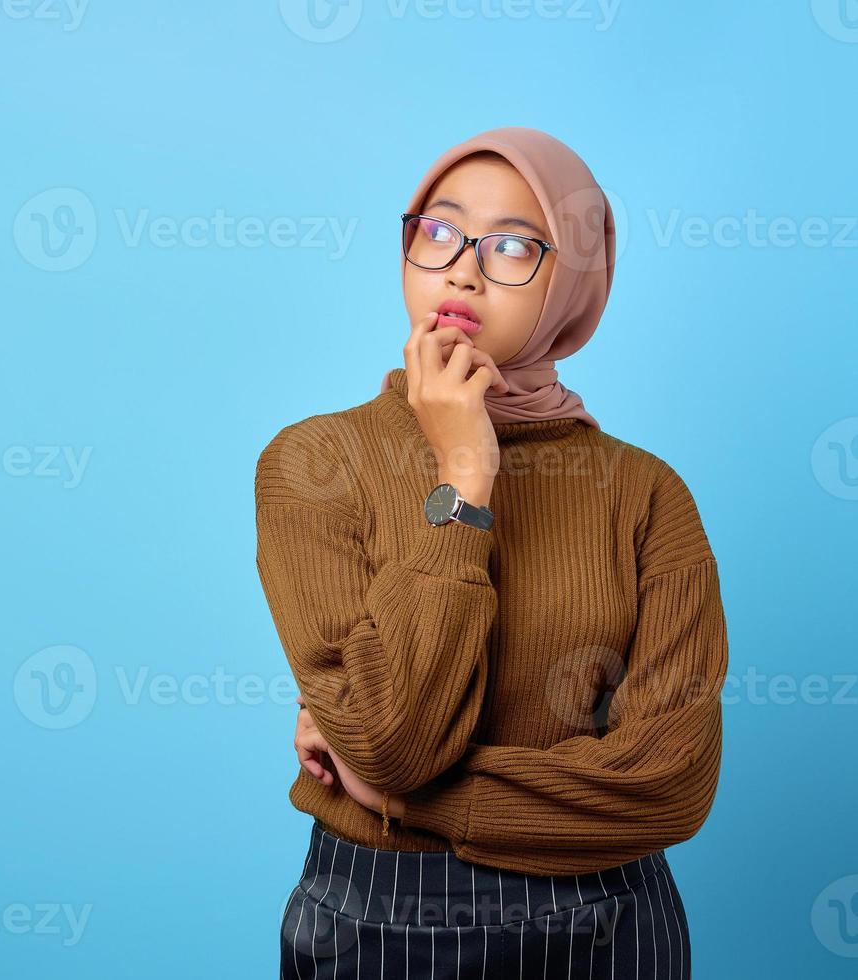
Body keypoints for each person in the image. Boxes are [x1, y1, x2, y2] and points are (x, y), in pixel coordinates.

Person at [254, 126, 727, 979]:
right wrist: (464, 476)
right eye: (438, 231)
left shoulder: (646, 493)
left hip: (604, 922)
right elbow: (397, 737)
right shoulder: (312, 462)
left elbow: (671, 779)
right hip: (377, 915)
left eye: (513, 245)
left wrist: (404, 798)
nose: (463, 269)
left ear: (573, 280)